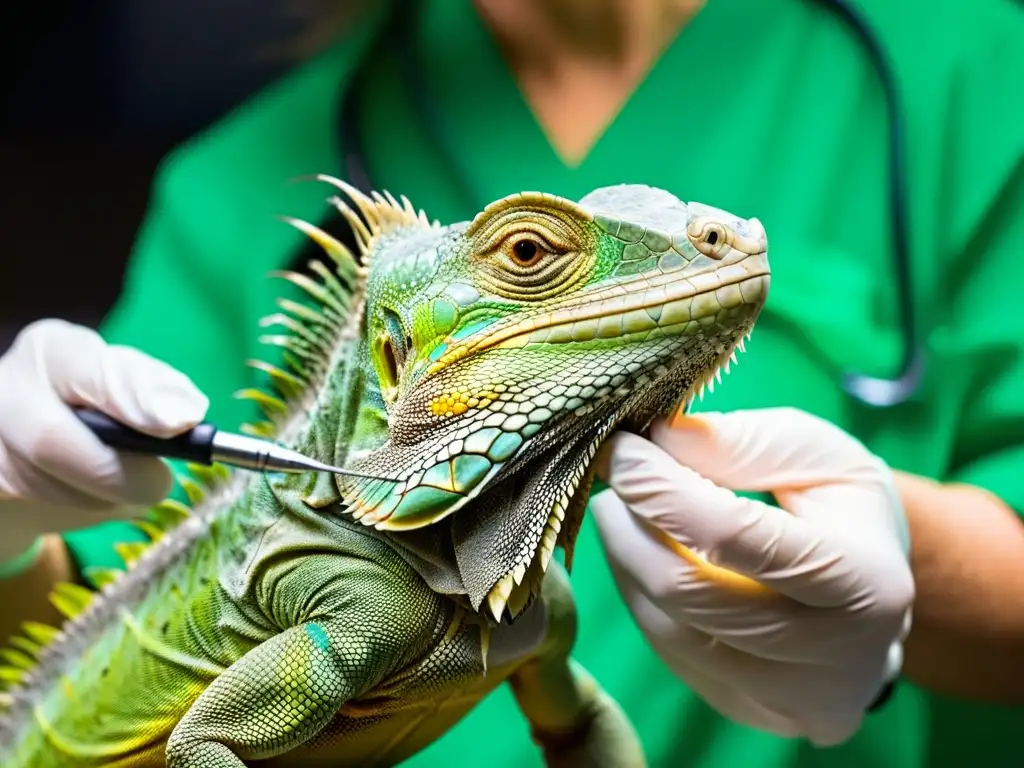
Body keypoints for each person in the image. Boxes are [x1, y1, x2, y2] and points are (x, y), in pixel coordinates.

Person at [2, 0, 1023, 765]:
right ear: (400, 360)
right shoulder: (238, 182)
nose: (717, 238)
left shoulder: (972, 63)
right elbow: (89, 637)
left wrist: (909, 561)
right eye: (532, 255)